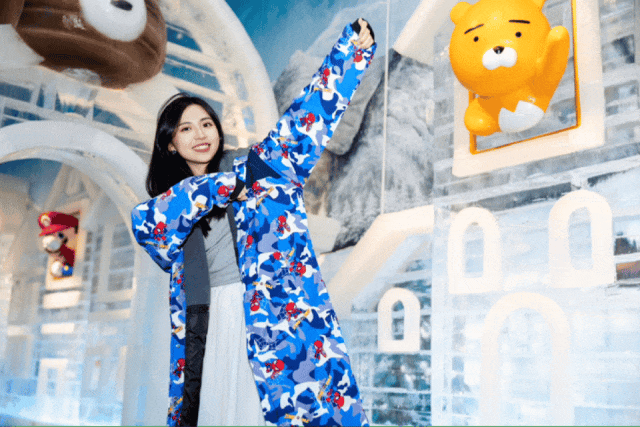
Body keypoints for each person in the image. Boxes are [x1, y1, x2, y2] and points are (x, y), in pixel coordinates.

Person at [132, 18, 376, 427]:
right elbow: (150, 226)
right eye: (186, 128)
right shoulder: (168, 204)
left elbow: (305, 122)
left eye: (207, 124)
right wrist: (226, 186)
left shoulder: (257, 170)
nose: (200, 134)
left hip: (270, 315)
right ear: (170, 143)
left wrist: (351, 54)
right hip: (209, 323)